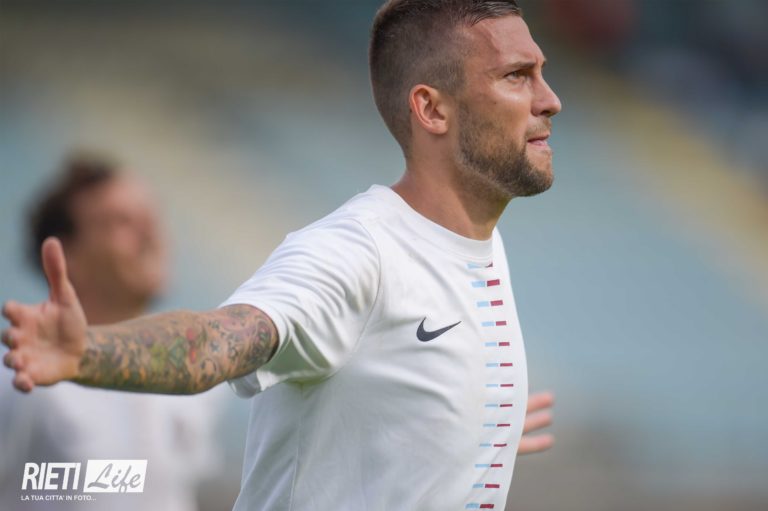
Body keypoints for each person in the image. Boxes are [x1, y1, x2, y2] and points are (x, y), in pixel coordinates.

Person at [2, 1, 561, 509]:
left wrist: (459, 432)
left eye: (540, 72)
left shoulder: (478, 246)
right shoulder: (355, 252)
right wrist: (89, 352)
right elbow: (216, 342)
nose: (550, 100)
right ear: (431, 109)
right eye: (516, 76)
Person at [0, 154, 218, 511]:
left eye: (152, 217)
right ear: (67, 254)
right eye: (123, 221)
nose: (152, 236)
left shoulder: (192, 377)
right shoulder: (20, 376)